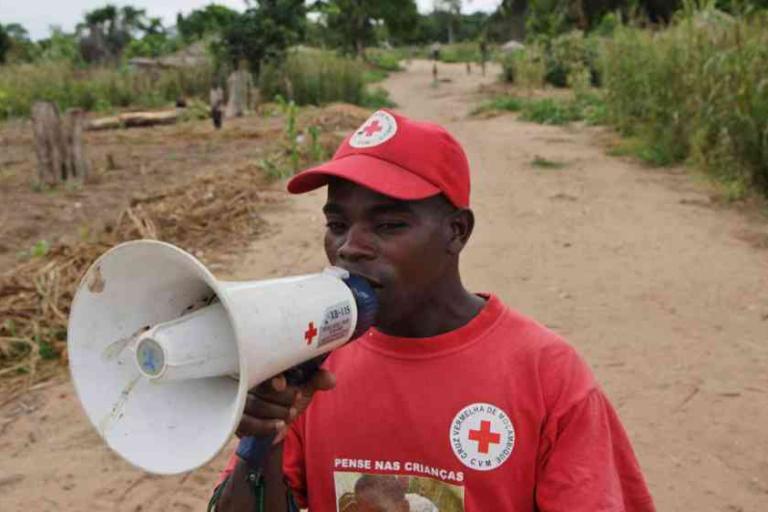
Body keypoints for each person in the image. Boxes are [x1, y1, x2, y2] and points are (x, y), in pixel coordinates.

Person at [210, 109, 656, 511]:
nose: (350, 247)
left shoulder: (546, 374)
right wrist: (262, 438)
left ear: (456, 232)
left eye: (388, 224)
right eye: (337, 224)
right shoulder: (311, 358)